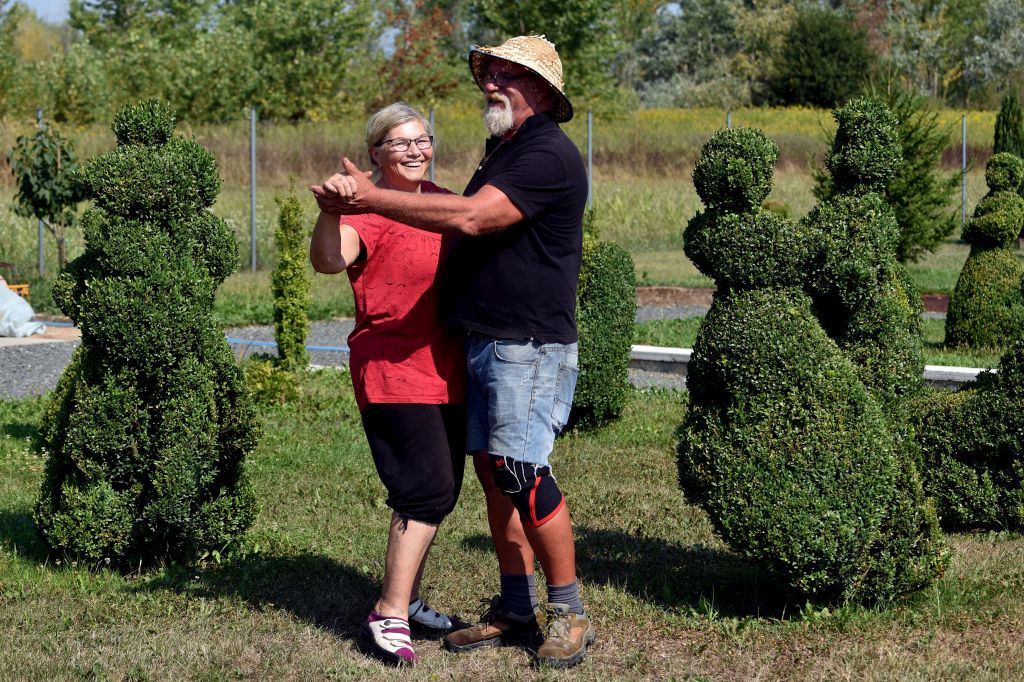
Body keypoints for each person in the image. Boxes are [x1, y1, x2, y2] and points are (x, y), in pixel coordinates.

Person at [311, 35, 594, 669]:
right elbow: (335, 257)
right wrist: (352, 210)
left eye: (507, 76)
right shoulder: (505, 150)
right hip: (484, 346)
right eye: (488, 73)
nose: (491, 84)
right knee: (497, 477)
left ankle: (569, 611)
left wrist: (368, 198)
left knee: (521, 472)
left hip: (526, 343)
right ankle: (515, 607)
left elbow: (471, 219)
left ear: (542, 90)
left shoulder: (546, 153)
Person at [309, 102, 467, 667]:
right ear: (375, 153)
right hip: (392, 371)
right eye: (400, 142)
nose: (415, 150)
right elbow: (329, 261)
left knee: (442, 492)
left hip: (448, 370)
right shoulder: (364, 211)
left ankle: (410, 599)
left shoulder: (446, 204)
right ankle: (389, 612)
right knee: (424, 491)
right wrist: (331, 212)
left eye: (423, 139)